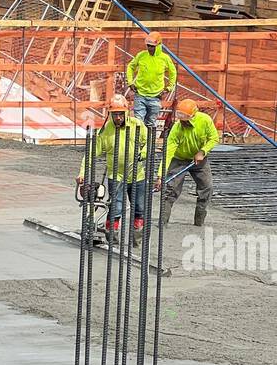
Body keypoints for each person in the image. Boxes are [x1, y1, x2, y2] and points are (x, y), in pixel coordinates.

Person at [79, 94, 149, 237]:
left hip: (137, 175)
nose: (118, 117)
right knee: (116, 207)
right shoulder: (106, 131)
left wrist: (143, 153)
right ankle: (112, 234)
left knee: (139, 208)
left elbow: (148, 143)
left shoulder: (137, 125)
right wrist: (82, 172)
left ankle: (137, 237)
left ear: (126, 112)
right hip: (116, 175)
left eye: (120, 114)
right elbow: (92, 152)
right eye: (115, 114)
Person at [158, 98, 218, 227]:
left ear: (194, 115)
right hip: (179, 160)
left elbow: (214, 138)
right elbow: (168, 152)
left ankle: (199, 221)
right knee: (170, 189)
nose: (183, 122)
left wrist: (202, 151)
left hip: (199, 160)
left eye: (186, 119)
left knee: (207, 188)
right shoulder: (176, 129)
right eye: (181, 119)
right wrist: (160, 175)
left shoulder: (205, 120)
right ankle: (163, 222)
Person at [126, 32, 177, 126]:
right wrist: (130, 82)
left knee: (151, 123)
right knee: (138, 122)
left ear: (158, 46)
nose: (149, 48)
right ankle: (139, 140)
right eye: (148, 46)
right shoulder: (141, 55)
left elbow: (173, 72)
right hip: (140, 94)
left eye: (152, 46)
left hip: (155, 96)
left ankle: (149, 140)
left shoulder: (165, 58)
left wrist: (169, 87)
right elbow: (130, 67)